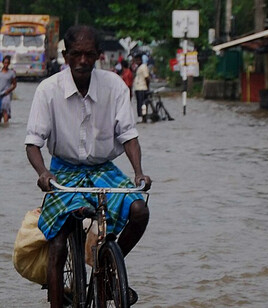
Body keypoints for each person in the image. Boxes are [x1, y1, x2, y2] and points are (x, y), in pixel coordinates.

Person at [25, 25, 151, 307]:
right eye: (77, 54)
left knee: (139, 210)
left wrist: (138, 172)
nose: (83, 61)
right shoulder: (48, 90)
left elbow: (128, 135)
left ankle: (106, 268)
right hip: (64, 170)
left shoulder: (115, 86)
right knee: (57, 245)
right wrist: (43, 173)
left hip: (103, 169)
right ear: (66, 55)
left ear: (99, 56)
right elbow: (32, 142)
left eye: (89, 55)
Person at [132, 54, 150, 122]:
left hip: (142, 88)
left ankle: (143, 117)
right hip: (138, 88)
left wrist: (147, 87)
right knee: (139, 103)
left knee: (142, 104)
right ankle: (141, 117)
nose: (136, 61)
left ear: (140, 60)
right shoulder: (138, 67)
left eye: (137, 60)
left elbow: (147, 78)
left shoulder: (143, 67)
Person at [0, 55, 17, 123]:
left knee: (5, 110)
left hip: (6, 94)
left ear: (9, 64)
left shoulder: (11, 73)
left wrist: (8, 91)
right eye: (5, 63)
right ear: (2, 63)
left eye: (7, 63)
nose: (6, 64)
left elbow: (14, 85)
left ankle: (6, 124)